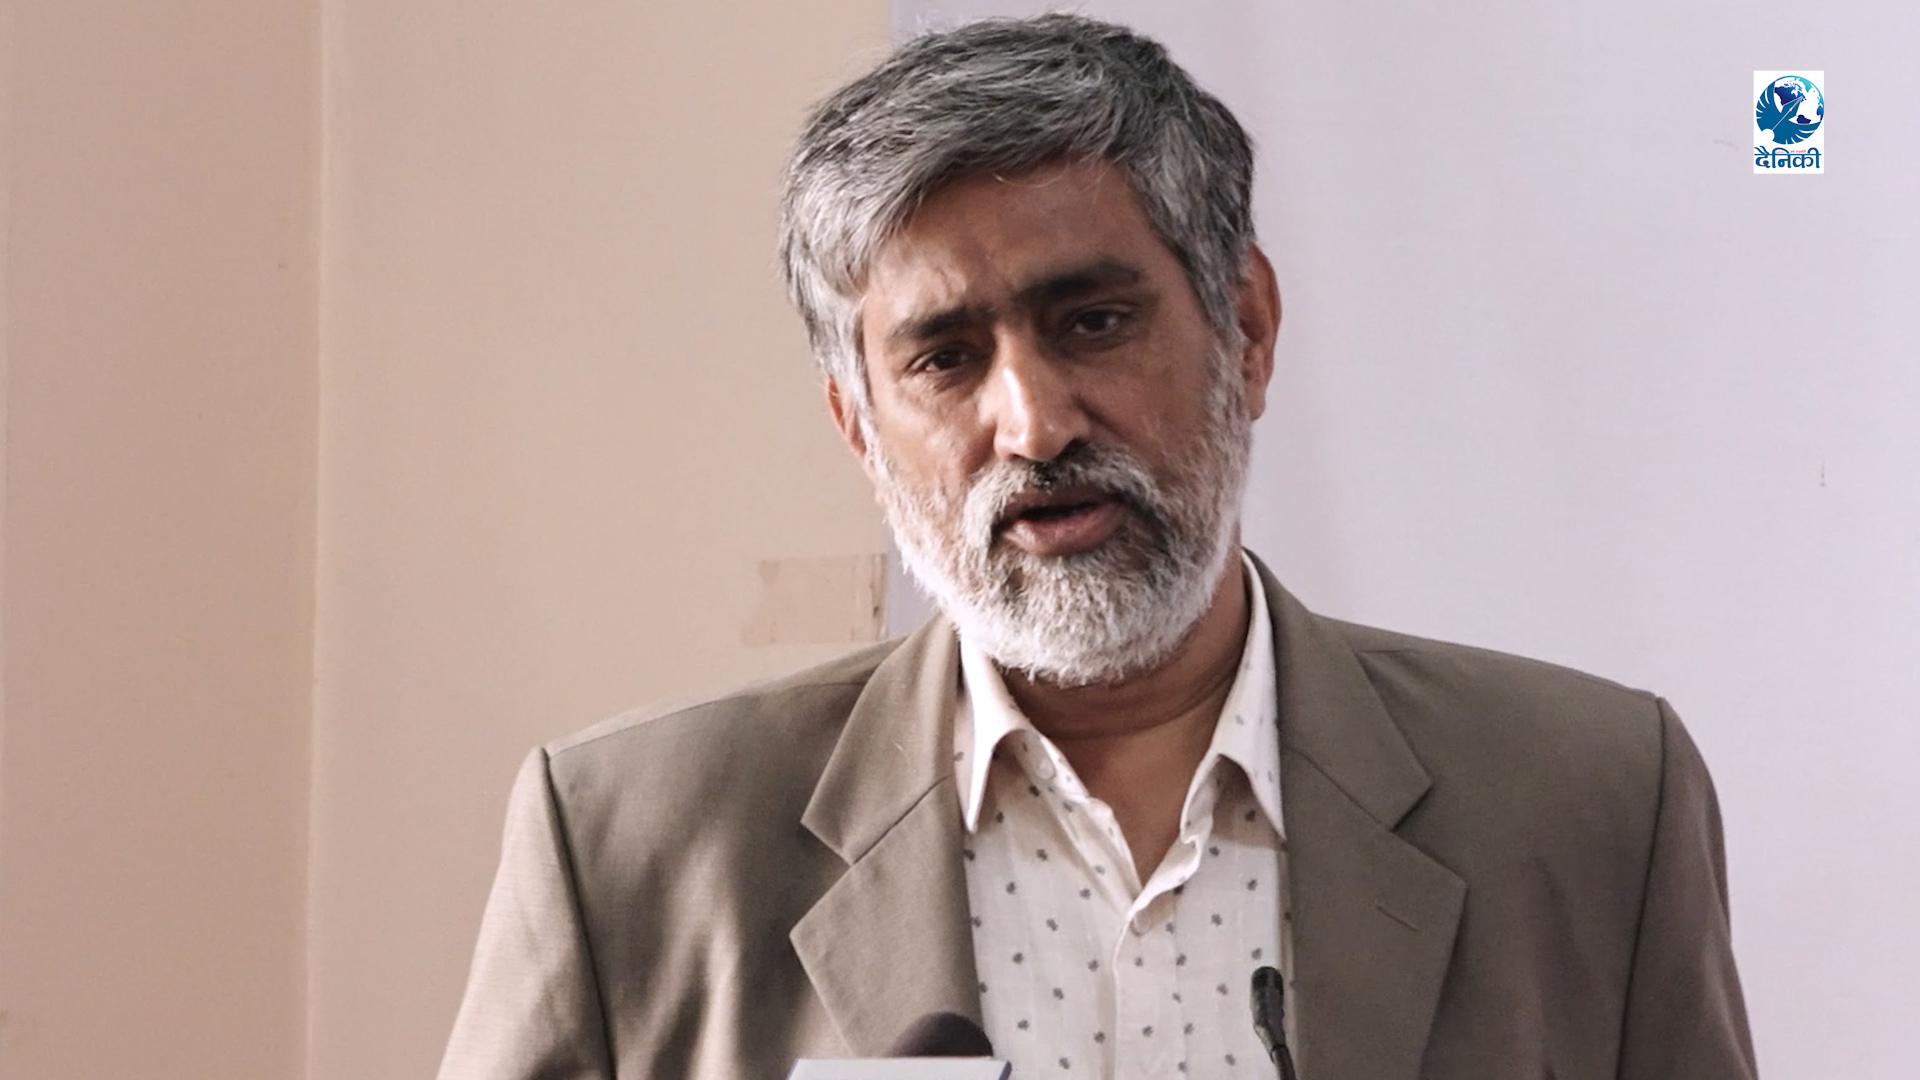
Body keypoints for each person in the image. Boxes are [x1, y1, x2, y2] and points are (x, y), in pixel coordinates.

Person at [437, 15, 1756, 1080]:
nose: (1034, 423)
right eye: (946, 359)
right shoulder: (632, 845)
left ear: (1247, 330)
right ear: (859, 428)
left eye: (1093, 323)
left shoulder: (1588, 804)